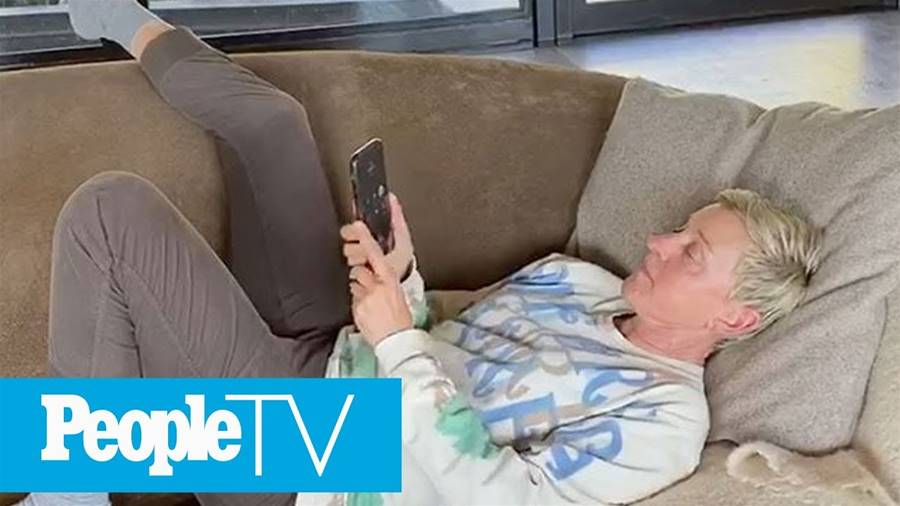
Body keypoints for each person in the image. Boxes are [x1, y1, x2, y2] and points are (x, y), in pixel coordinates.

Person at [18, 2, 823, 506]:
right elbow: (447, 326)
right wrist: (401, 276)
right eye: (679, 229)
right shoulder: (581, 282)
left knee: (111, 211)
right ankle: (117, 13)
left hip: (327, 462)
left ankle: (70, 484)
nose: (659, 241)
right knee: (272, 124)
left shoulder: (664, 421)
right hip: (340, 347)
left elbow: (499, 498)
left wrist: (399, 342)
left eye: (691, 252)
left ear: (736, 317)